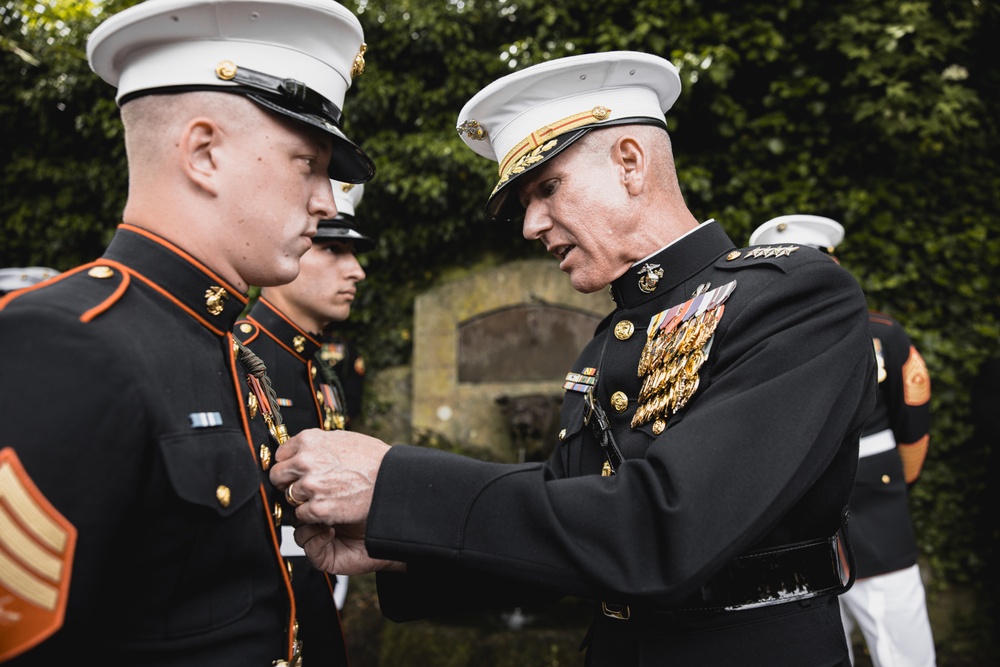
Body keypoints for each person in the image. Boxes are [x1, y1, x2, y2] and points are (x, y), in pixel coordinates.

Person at [270, 51, 878, 665]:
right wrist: (404, 542)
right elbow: (576, 524)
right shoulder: (610, 339)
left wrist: (398, 486)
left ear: (630, 164)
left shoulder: (796, 297)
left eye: (548, 188)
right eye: (524, 204)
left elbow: (666, 530)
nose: (532, 224)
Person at [0, 0, 373, 664]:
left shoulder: (225, 339)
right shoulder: (65, 343)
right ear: (203, 153)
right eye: (306, 163)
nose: (324, 199)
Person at [751, 215, 936, 667]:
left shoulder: (754, 344)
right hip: (817, 518)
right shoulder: (879, 333)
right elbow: (911, 423)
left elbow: (911, 422)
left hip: (849, 512)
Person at [235, 179, 374, 659]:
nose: (355, 270)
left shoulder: (319, 366)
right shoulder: (237, 356)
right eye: (333, 249)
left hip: (316, 590)